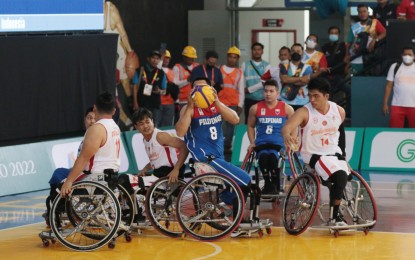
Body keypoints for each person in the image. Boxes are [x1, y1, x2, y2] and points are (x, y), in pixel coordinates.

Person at [175, 77, 252, 216]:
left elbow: (235, 119)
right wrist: (190, 106)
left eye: (203, 87)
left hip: (218, 159)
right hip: (206, 160)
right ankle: (238, 220)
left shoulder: (216, 106)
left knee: (240, 185)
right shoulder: (188, 109)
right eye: (196, 88)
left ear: (211, 89)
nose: (200, 90)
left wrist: (216, 100)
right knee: (246, 181)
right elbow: (180, 131)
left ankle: (226, 202)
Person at [281, 77, 349, 226]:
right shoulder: (304, 112)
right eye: (310, 95)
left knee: (344, 179)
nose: (312, 99)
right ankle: (335, 216)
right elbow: (287, 127)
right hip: (313, 154)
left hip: (334, 153)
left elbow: (341, 133)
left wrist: (343, 156)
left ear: (326, 96)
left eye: (316, 96)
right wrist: (287, 136)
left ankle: (336, 205)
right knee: (340, 178)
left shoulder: (339, 111)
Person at [61, 92, 121, 197]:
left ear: (94, 108)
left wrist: (69, 181)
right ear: (114, 111)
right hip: (113, 175)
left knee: (60, 186)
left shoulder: (97, 128)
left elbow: (84, 158)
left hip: (95, 177)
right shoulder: (115, 127)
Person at [43, 107, 96, 225]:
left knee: (59, 176)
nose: (92, 121)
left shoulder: (96, 136)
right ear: (84, 120)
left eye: (95, 118)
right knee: (58, 172)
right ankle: (56, 206)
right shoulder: (87, 135)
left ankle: (58, 207)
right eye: (89, 118)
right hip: (80, 169)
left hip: (87, 172)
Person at [118, 107, 188, 196]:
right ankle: (136, 207)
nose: (146, 126)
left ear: (152, 121)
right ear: (136, 127)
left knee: (124, 179)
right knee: (125, 184)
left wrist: (176, 169)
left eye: (147, 122)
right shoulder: (145, 140)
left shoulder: (160, 136)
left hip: (168, 176)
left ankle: (138, 208)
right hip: (158, 175)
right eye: (141, 123)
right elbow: (156, 160)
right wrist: (145, 169)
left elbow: (185, 147)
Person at [247, 80, 294, 195]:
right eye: (266, 91)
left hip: (278, 144)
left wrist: (291, 141)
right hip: (262, 143)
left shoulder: (287, 108)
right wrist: (252, 142)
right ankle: (268, 184)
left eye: (271, 91)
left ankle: (274, 183)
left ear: (277, 93)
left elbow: (294, 126)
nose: (268, 94)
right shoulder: (255, 108)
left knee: (273, 159)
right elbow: (250, 126)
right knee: (263, 159)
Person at [104, 0, 137, 131]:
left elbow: (122, 33)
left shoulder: (110, 8)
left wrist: (130, 52)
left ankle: (133, 120)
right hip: (105, 59)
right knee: (112, 95)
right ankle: (127, 122)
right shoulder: (88, 8)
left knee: (125, 93)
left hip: (118, 56)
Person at [346, 4, 387, 74]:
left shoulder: (375, 22)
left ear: (368, 12)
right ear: (358, 14)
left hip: (370, 57)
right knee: (357, 79)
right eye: (360, 12)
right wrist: (346, 55)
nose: (362, 14)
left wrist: (375, 40)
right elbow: (349, 43)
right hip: (356, 58)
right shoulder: (354, 27)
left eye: (364, 11)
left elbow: (385, 33)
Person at [219, 46, 245, 154]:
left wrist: (240, 105)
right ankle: (218, 145)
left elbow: (241, 90)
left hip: (233, 103)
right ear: (227, 57)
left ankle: (227, 147)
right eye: (230, 57)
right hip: (219, 103)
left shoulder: (239, 72)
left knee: (230, 129)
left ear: (237, 59)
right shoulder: (219, 69)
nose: (232, 59)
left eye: (235, 57)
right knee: (217, 126)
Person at [132, 50, 167, 127]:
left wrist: (159, 91)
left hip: (155, 105)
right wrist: (135, 103)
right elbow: (134, 87)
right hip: (141, 104)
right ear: (148, 59)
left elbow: (164, 91)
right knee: (141, 125)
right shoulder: (139, 70)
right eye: (153, 58)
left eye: (157, 59)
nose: (155, 60)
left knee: (154, 126)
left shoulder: (161, 73)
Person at [382, 46, 415, 128]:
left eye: (410, 54)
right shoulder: (395, 67)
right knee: (395, 130)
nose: (407, 56)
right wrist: (385, 103)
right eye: (405, 54)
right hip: (397, 105)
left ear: (414, 56)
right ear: (401, 55)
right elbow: (389, 86)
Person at [321, 26, 350, 117]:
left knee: (349, 91)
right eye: (332, 33)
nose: (333, 35)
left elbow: (348, 59)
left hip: (339, 76)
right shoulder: (324, 47)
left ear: (339, 34)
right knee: (326, 94)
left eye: (335, 33)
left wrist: (346, 68)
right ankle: (325, 114)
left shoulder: (343, 46)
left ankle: (348, 113)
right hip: (326, 77)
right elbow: (321, 61)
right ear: (329, 34)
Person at [241, 42, 271, 123]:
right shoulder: (245, 64)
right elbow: (241, 81)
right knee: (249, 121)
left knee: (262, 121)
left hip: (262, 99)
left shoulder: (267, 65)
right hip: (249, 99)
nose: (257, 51)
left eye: (259, 49)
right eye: (254, 49)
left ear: (262, 51)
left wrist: (249, 89)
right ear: (251, 51)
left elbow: (265, 83)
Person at [279, 43, 313, 110]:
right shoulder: (284, 65)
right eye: (293, 51)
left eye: (298, 51)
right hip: (285, 101)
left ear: (302, 53)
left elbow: (305, 81)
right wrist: (301, 78)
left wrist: (289, 79)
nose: (295, 53)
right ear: (290, 53)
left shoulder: (307, 67)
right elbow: (284, 79)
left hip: (302, 101)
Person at [160, 50, 179, 127]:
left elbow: (176, 87)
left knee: (167, 126)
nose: (166, 60)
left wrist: (177, 101)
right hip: (158, 103)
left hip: (169, 103)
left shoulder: (172, 72)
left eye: (168, 58)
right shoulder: (157, 70)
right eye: (164, 58)